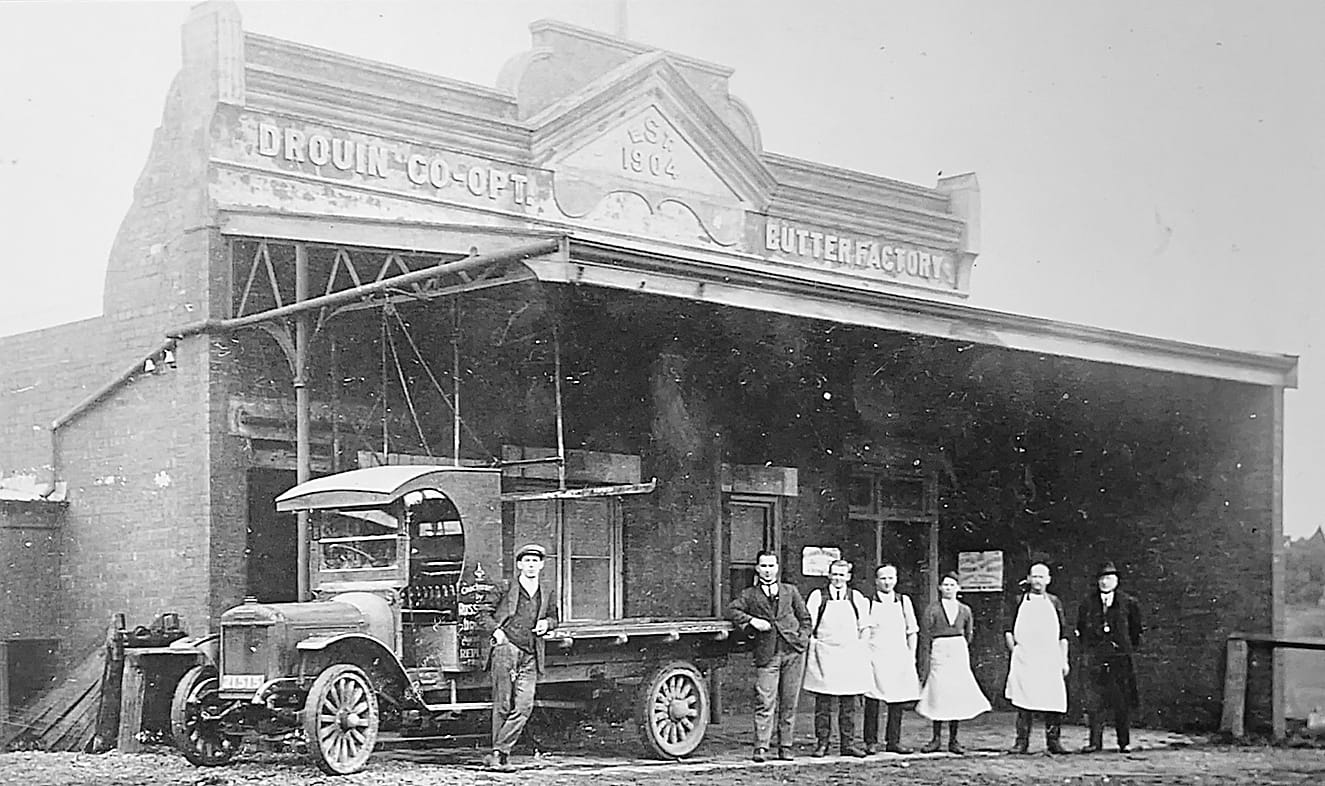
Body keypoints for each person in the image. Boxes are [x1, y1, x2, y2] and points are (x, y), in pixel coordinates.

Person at [477, 543, 559, 771]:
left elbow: (554, 616)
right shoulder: (505, 587)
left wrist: (547, 623)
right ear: (519, 565)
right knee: (502, 703)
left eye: (536, 561)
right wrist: (497, 631)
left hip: (531, 653)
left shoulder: (547, 590)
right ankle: (500, 756)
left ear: (541, 565)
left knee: (524, 706)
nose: (531, 565)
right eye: (527, 561)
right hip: (506, 650)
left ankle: (499, 751)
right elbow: (482, 613)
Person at [727, 550, 812, 762]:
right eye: (763, 566)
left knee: (789, 701)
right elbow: (732, 610)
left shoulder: (790, 591)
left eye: (771, 566)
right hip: (767, 654)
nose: (767, 570)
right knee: (765, 700)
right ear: (757, 568)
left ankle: (786, 746)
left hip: (792, 652)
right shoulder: (749, 594)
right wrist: (751, 621)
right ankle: (762, 747)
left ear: (777, 568)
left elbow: (805, 618)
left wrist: (801, 640)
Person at [802, 558, 872, 757]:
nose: (838, 578)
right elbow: (809, 624)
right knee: (823, 704)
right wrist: (814, 644)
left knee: (848, 704)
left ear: (848, 577)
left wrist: (860, 647)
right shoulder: (818, 596)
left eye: (842, 575)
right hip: (825, 654)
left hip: (849, 655)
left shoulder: (856, 597)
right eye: (834, 574)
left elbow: (864, 626)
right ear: (828, 576)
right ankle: (822, 743)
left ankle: (847, 744)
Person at [915, 571, 990, 753]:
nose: (948, 588)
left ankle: (954, 740)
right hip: (939, 649)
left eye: (952, 585)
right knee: (939, 692)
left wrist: (958, 645)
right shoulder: (932, 609)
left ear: (958, 588)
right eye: (945, 585)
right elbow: (926, 633)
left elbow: (969, 633)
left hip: (958, 649)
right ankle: (936, 739)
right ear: (940, 588)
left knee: (955, 693)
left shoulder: (965, 610)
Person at [1075, 560, 1143, 753]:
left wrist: (1124, 648)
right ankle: (1095, 742)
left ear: (1117, 581)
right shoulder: (1088, 603)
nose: (1105, 582)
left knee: (1121, 701)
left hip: (1120, 659)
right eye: (1102, 579)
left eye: (1109, 578)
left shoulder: (1129, 603)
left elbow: (1136, 631)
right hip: (1096, 659)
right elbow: (1081, 628)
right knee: (1095, 701)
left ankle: (1124, 742)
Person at [1004, 561, 1069, 755]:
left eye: (1042, 576)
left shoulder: (1055, 602)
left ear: (1048, 580)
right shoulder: (1018, 600)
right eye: (1035, 576)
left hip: (1049, 657)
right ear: (1029, 579)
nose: (1038, 580)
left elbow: (1063, 635)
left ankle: (1053, 741)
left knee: (1053, 700)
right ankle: (1021, 742)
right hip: (1025, 658)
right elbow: (1008, 630)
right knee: (1024, 701)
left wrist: (1063, 659)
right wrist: (1015, 651)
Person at [863, 562, 922, 755]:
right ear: (876, 581)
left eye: (891, 578)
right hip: (875, 655)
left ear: (896, 580)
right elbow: (864, 630)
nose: (887, 582)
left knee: (897, 700)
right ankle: (870, 741)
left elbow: (912, 631)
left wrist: (910, 656)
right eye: (883, 578)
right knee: (873, 699)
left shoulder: (903, 601)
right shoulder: (868, 602)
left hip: (897, 655)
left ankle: (893, 741)